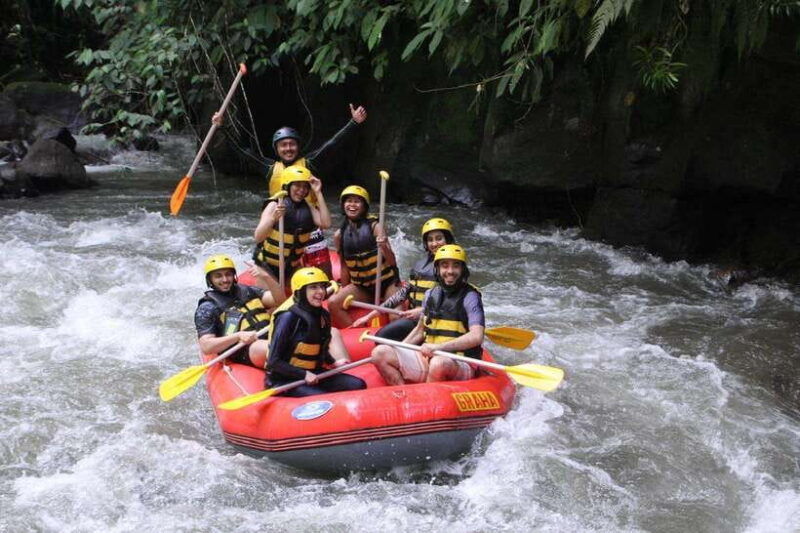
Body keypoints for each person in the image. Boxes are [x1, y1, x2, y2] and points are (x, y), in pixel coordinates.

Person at [370, 245, 485, 385]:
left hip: (460, 361)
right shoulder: (431, 294)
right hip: (430, 357)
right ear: (437, 269)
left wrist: (439, 348)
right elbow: (420, 330)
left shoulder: (471, 297)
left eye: (456, 266)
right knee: (379, 353)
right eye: (445, 266)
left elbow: (476, 336)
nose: (450, 271)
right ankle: (404, 392)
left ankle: (427, 393)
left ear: (463, 269)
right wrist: (400, 349)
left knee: (439, 363)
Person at [211, 103, 367, 198]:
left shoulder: (309, 163)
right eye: (283, 145)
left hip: (307, 224)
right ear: (277, 149)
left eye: (292, 144)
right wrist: (222, 127)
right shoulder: (269, 168)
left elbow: (332, 144)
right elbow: (243, 152)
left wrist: (353, 123)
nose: (288, 149)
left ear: (298, 147)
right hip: (281, 224)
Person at [266, 267, 366, 397]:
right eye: (313, 287)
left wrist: (333, 362)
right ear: (301, 291)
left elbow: (321, 347)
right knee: (322, 399)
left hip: (315, 372)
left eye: (322, 287)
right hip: (285, 380)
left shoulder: (323, 315)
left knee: (358, 385)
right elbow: (273, 361)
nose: (320, 292)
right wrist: (304, 374)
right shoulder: (287, 317)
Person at [352, 218, 456, 341]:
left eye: (439, 238)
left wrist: (422, 311)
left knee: (384, 336)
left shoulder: (453, 269)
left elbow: (452, 302)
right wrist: (371, 315)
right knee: (382, 336)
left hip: (438, 321)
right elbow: (402, 294)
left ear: (447, 239)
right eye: (430, 240)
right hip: (416, 320)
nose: (434, 244)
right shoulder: (420, 266)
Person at [194, 254, 286, 369]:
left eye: (228, 274)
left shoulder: (247, 291)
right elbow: (206, 347)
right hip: (243, 348)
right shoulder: (207, 307)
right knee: (273, 348)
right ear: (210, 279)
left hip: (270, 335)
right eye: (218, 276)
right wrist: (238, 336)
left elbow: (280, 301)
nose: (225, 279)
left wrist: (266, 276)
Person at [327, 185, 400, 327]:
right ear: (343, 205)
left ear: (364, 206)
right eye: (349, 201)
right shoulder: (339, 235)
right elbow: (344, 266)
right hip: (362, 287)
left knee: (396, 316)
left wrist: (384, 246)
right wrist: (344, 288)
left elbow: (392, 262)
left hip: (387, 283)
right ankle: (355, 331)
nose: (352, 205)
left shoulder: (375, 227)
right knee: (333, 303)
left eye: (357, 201)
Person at [252, 165, 331, 285]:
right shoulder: (275, 205)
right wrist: (273, 218)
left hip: (292, 267)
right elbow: (258, 237)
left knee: (308, 288)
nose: (302, 190)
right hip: (267, 267)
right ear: (287, 186)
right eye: (297, 185)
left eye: (305, 186)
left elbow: (326, 223)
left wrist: (318, 192)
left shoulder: (308, 207)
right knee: (271, 296)